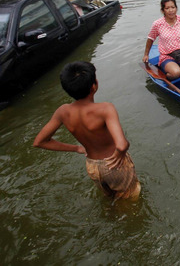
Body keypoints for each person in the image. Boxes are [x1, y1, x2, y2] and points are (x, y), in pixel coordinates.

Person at [33, 61, 141, 201]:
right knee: (131, 197)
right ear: (94, 85)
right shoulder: (105, 109)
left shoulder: (63, 111)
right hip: (114, 164)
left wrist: (77, 148)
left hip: (92, 167)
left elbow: (39, 142)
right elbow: (121, 145)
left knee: (109, 198)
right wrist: (120, 152)